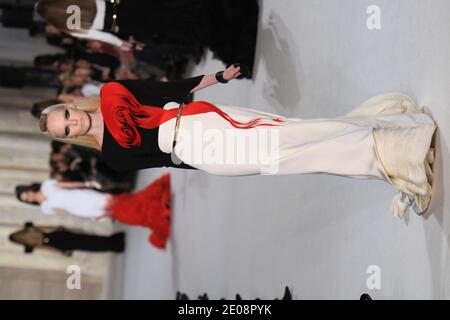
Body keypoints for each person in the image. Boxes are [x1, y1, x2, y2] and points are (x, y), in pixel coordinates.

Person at [38, 64, 437, 219]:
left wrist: (218, 78)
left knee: (299, 133)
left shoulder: (112, 92)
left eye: (67, 115)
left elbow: (166, 88)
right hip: (201, 153)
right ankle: (389, 166)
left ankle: (391, 137)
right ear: (70, 140)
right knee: (298, 160)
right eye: (67, 129)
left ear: (70, 105)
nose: (74, 122)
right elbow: (169, 163)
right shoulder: (113, 159)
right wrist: (219, 165)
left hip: (199, 122)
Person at [35, 0, 260, 75]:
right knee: (179, 9)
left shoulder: (70, 26)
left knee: (177, 24)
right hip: (127, 5)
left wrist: (123, 43)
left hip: (125, 23)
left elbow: (99, 36)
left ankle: (225, 31)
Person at [15, 173, 172, 249]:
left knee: (116, 206)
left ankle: (154, 210)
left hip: (83, 196)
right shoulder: (45, 209)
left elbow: (68, 186)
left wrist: (87, 185)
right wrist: (87, 217)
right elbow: (65, 211)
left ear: (29, 189)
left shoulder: (47, 185)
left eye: (26, 194)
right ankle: (153, 207)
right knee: (116, 210)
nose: (29, 197)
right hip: (81, 209)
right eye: (26, 199)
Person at [9, 222, 125, 256]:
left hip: (56, 243)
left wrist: (60, 252)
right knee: (85, 238)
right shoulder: (29, 228)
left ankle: (112, 246)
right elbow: (47, 227)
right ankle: (112, 240)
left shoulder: (28, 246)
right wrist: (57, 227)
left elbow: (46, 248)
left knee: (85, 246)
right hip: (57, 235)